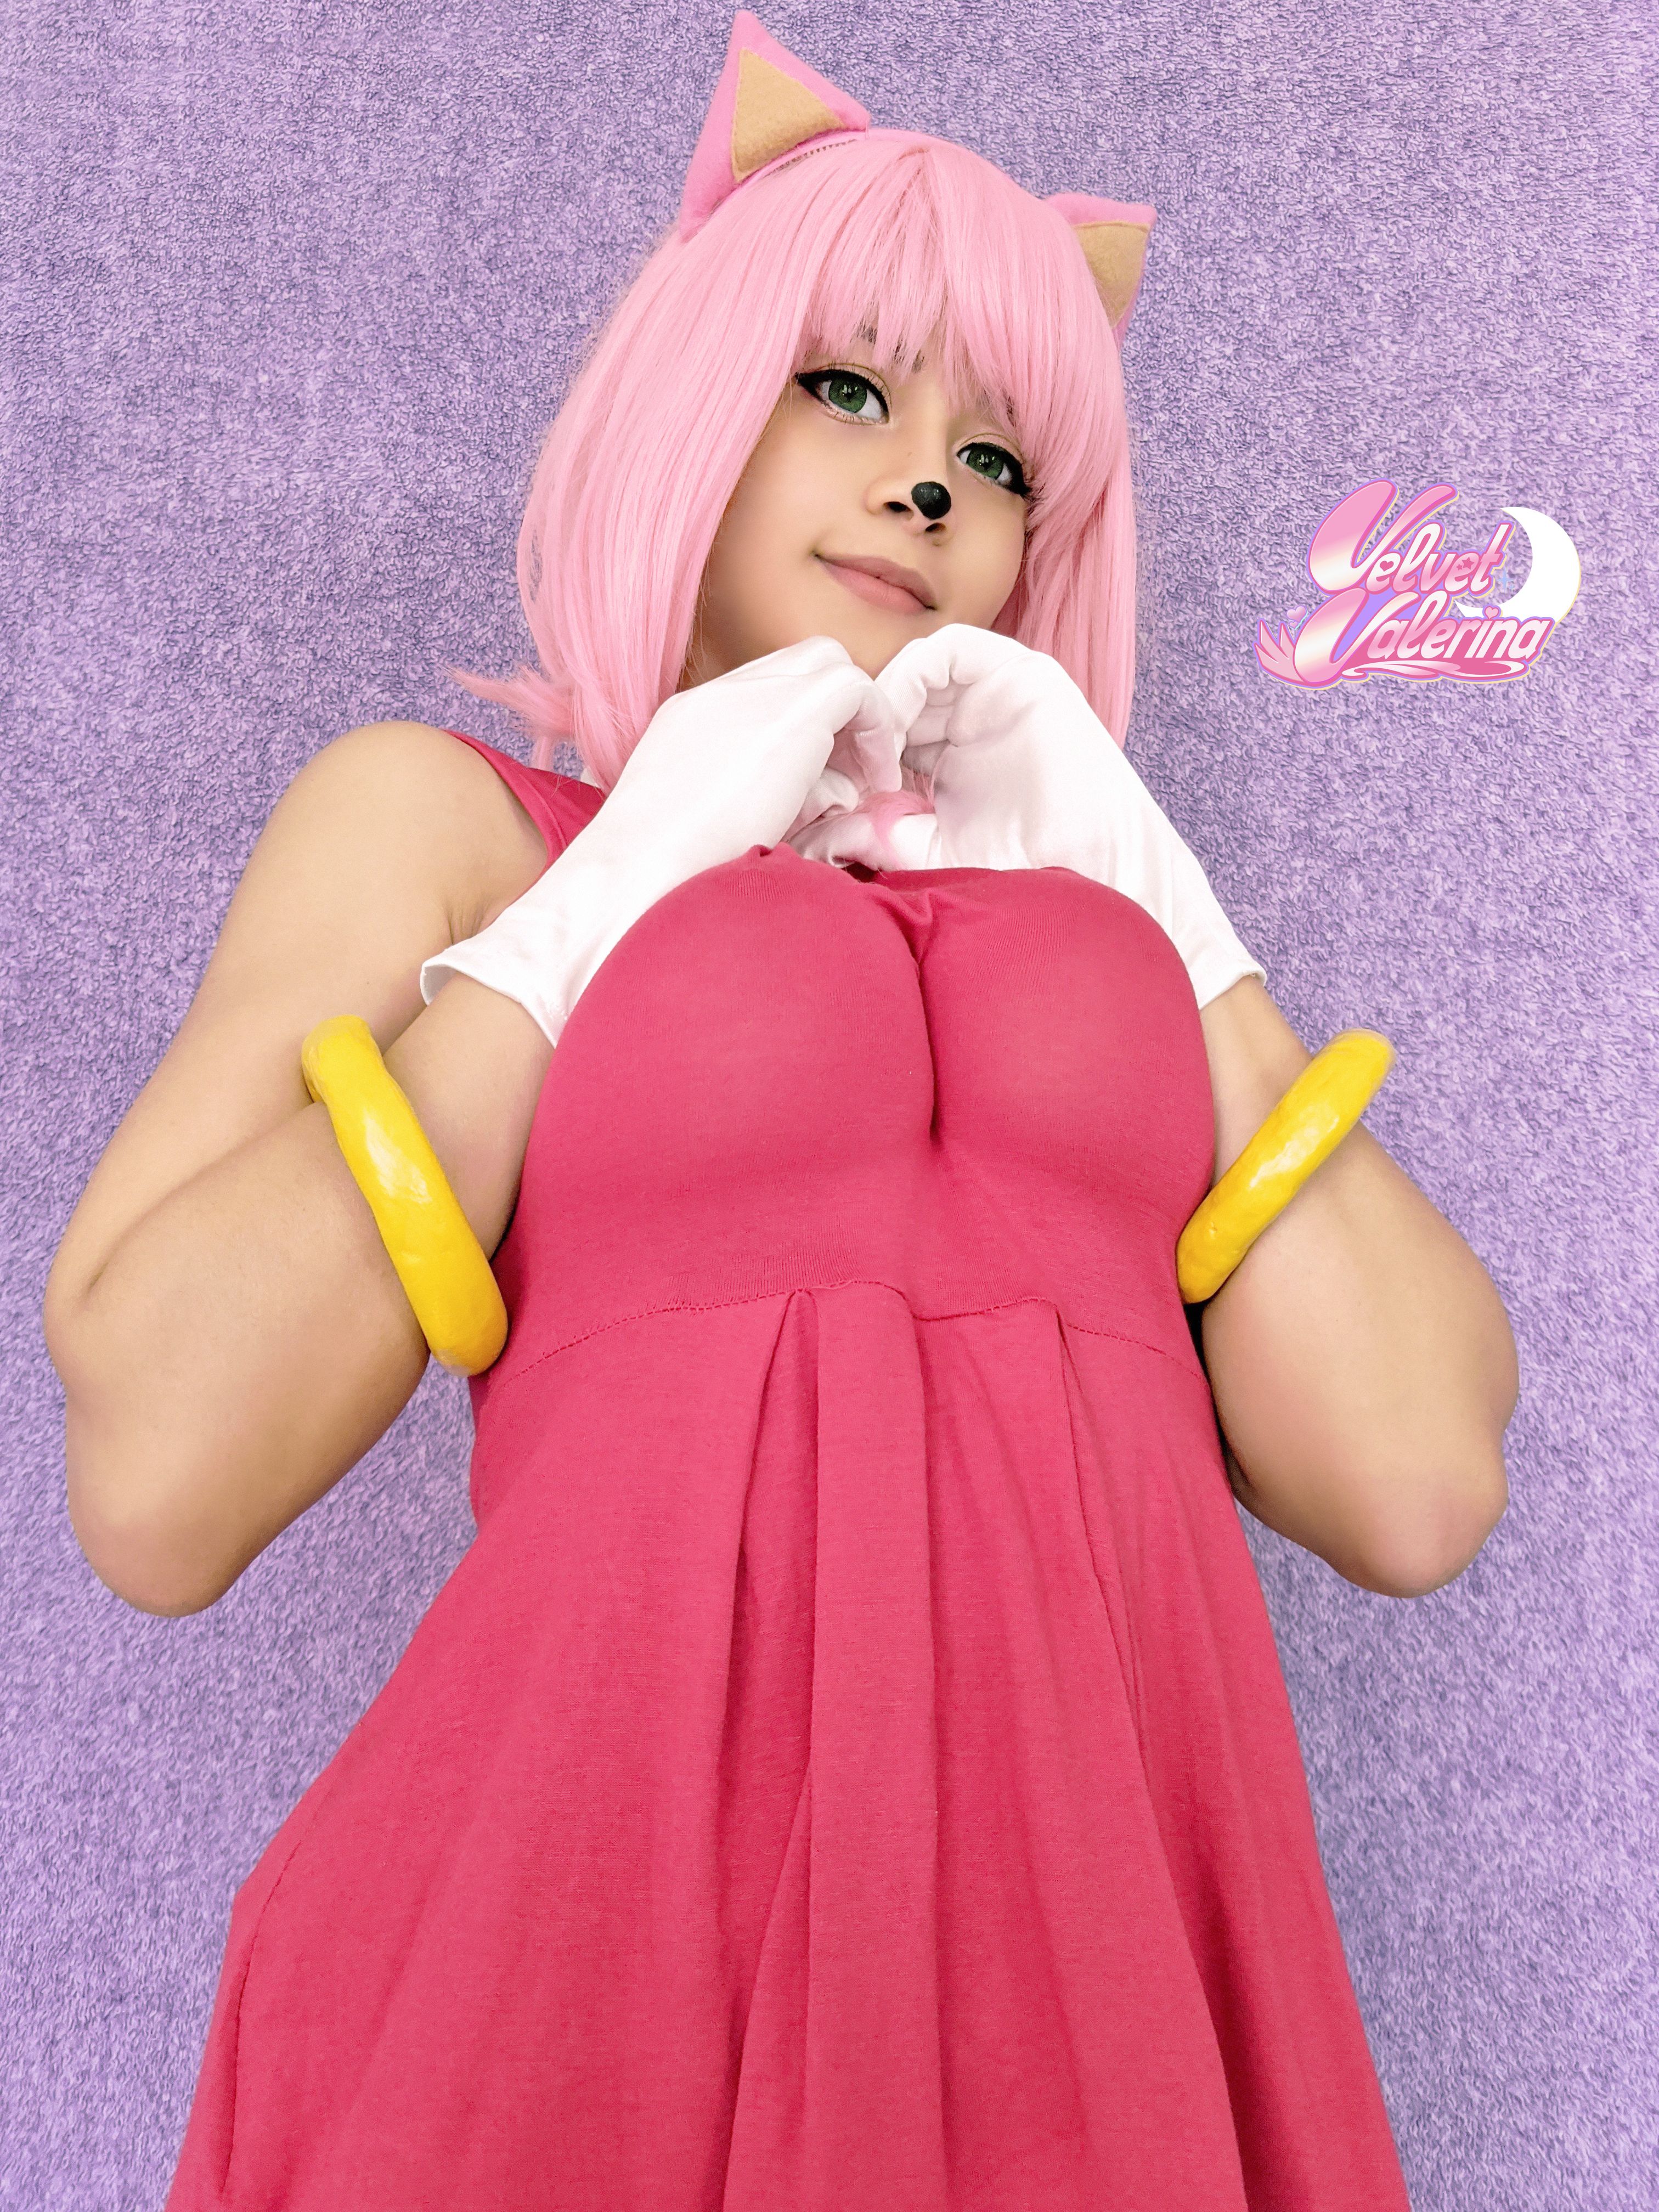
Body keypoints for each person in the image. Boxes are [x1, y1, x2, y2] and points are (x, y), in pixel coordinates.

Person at [43, 14, 1518, 2207]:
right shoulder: (450, 829)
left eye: (999, 456)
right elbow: (158, 1480)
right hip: (577, 1981)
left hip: (1088, 2023)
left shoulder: (1104, 917)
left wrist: (1165, 911)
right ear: (696, 399)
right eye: (848, 389)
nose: (929, 486)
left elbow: (1414, 1484)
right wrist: (604, 897)